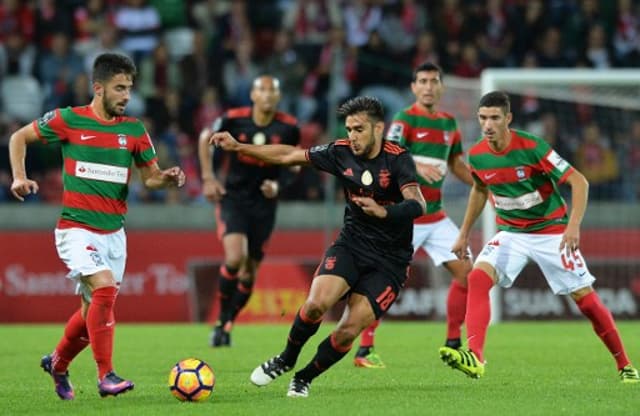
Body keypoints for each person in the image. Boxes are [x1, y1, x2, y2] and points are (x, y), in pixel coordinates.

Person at [209, 96, 426, 397]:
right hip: (352, 245)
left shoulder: (397, 158)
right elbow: (288, 156)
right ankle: (286, 358)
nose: (352, 136)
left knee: (348, 331)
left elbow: (418, 203)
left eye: (359, 129)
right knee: (314, 305)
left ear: (379, 129)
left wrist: (383, 211)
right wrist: (239, 147)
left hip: (390, 261)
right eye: (349, 129)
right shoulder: (340, 152)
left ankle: (305, 377)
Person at [9, 53, 186, 400]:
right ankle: (106, 376)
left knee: (93, 316)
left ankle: (57, 363)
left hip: (114, 235)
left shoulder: (134, 130)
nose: (126, 96)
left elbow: (149, 178)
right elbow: (18, 137)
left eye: (129, 89)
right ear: (99, 88)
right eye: (119, 88)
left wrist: (166, 179)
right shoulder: (69, 120)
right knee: (104, 291)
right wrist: (19, 177)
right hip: (76, 228)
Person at [439, 91, 640, 383]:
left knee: (586, 300)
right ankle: (476, 357)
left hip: (552, 233)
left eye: (495, 117)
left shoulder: (533, 147)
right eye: (483, 118)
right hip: (512, 233)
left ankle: (625, 365)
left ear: (508, 118)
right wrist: (463, 234)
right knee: (477, 278)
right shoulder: (479, 155)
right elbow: (480, 190)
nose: (488, 124)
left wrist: (573, 226)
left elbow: (578, 181)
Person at [354, 62, 474, 369]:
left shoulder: (448, 123)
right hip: (405, 217)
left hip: (435, 217)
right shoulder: (406, 119)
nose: (429, 86)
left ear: (442, 86)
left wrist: (484, 183)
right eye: (423, 81)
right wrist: (418, 168)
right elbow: (388, 154)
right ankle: (365, 350)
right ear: (413, 87)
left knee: (468, 273)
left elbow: (457, 163)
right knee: (384, 282)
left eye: (434, 81)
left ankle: (452, 343)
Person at [198, 75, 300, 347]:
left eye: (272, 91)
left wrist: (278, 185)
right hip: (234, 199)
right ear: (253, 95)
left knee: (249, 272)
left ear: (277, 97)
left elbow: (295, 164)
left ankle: (227, 323)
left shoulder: (289, 127)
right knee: (235, 258)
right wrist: (208, 178)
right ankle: (221, 319)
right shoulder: (233, 119)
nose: (267, 95)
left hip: (264, 205)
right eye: (262, 90)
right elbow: (205, 137)